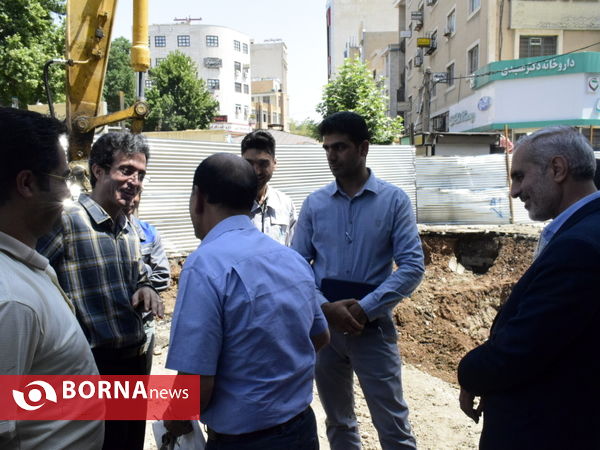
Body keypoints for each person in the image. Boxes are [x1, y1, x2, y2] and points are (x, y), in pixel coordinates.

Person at [165, 153, 330, 450]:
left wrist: (173, 421)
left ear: (199, 198)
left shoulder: (204, 265)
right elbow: (320, 335)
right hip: (302, 431)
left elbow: (196, 385)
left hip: (242, 442)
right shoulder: (293, 260)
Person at [458, 126, 600, 449]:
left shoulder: (579, 246)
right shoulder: (583, 229)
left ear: (557, 169)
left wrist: (469, 372)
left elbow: (522, 349)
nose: (514, 191)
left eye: (520, 176)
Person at [292, 111, 425, 450]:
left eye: (340, 147)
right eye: (327, 148)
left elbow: (412, 266)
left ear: (364, 148)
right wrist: (325, 307)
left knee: (392, 422)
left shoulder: (394, 201)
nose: (332, 156)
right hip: (325, 332)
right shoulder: (315, 203)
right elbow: (297, 264)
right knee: (338, 421)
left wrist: (365, 310)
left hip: (373, 329)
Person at [37, 131, 163, 450]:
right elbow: (30, 273)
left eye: (141, 174)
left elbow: (140, 274)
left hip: (134, 361)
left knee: (128, 443)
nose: (134, 181)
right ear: (99, 171)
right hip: (93, 366)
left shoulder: (130, 227)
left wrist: (146, 286)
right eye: (126, 170)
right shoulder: (66, 221)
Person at [0, 107, 103, 449]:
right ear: (27, 184)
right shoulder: (11, 300)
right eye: (63, 179)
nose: (69, 194)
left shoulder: (24, 269)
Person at [127, 191, 171, 374]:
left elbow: (163, 275)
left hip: (144, 324)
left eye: (137, 193)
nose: (132, 199)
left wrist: (144, 285)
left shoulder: (148, 232)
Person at [241, 130, 297, 245]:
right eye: (249, 163)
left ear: (274, 163)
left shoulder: (285, 204)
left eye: (263, 164)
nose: (256, 171)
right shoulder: (227, 205)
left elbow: (293, 250)